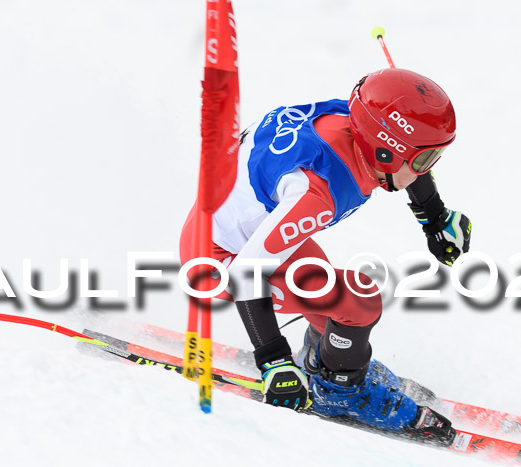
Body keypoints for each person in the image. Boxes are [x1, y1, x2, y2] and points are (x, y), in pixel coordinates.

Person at [179, 68, 471, 444]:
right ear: (384, 149)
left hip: (245, 228)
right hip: (218, 261)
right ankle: (340, 391)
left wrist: (434, 219)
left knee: (328, 294)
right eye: (422, 161)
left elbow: (402, 153)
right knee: (359, 300)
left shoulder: (352, 121)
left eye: (436, 157)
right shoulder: (315, 192)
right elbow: (247, 273)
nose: (426, 170)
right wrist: (274, 361)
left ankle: (326, 362)